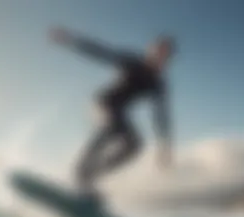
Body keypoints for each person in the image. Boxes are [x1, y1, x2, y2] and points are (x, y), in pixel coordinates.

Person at [49, 26, 176, 198]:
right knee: (112, 126)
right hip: (102, 104)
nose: (158, 57)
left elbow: (161, 117)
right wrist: (72, 40)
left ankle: (91, 176)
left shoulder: (158, 85)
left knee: (135, 145)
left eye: (164, 55)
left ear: (167, 59)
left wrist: (164, 145)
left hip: (119, 113)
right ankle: (80, 172)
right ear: (150, 50)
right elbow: (102, 53)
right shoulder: (133, 62)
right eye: (156, 50)